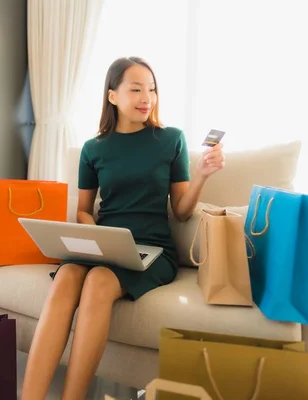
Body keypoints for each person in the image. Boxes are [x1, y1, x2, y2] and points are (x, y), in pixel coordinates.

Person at [20, 56, 225, 400]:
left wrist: (201, 174)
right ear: (113, 95)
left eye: (152, 89)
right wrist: (93, 236)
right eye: (136, 89)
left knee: (99, 281)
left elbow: (183, 210)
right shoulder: (93, 149)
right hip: (104, 245)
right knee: (67, 278)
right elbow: (84, 211)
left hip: (152, 249)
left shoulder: (170, 140)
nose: (147, 97)